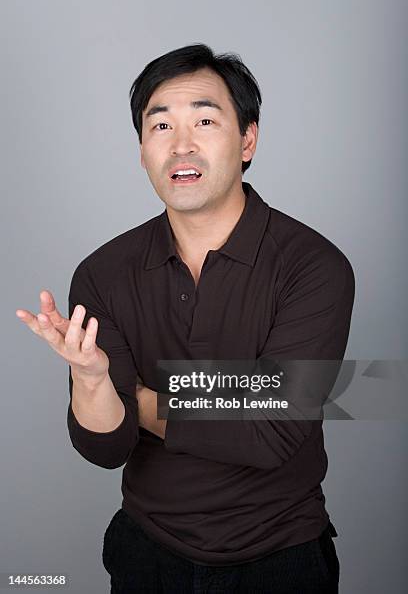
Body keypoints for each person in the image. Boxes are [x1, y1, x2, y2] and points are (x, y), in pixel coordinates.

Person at [16, 43, 355, 593]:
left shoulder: (314, 267)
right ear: (142, 151)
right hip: (147, 552)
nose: (181, 145)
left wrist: (141, 399)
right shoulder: (103, 273)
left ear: (247, 140)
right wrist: (96, 379)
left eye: (204, 120)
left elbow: (271, 431)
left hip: (281, 556)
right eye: (160, 126)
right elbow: (106, 448)